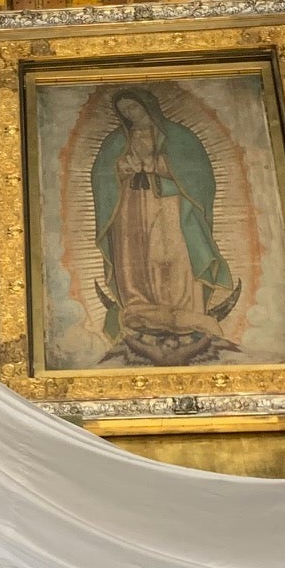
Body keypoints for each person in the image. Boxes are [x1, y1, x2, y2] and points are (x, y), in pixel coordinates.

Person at [90, 86, 241, 366]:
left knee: (175, 253)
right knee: (136, 256)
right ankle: (140, 307)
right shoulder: (115, 141)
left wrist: (159, 165)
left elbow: (199, 174)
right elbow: (101, 176)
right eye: (124, 111)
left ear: (147, 105)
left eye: (133, 107)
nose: (129, 114)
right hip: (130, 209)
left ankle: (185, 310)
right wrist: (121, 169)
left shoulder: (179, 137)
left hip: (170, 206)